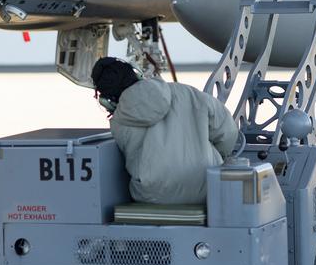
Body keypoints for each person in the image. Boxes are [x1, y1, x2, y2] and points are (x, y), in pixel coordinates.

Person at [91, 57, 238, 204]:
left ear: (106, 101)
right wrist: (215, 158)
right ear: (137, 73)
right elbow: (228, 133)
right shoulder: (187, 92)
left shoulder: (118, 122)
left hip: (152, 196)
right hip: (208, 187)